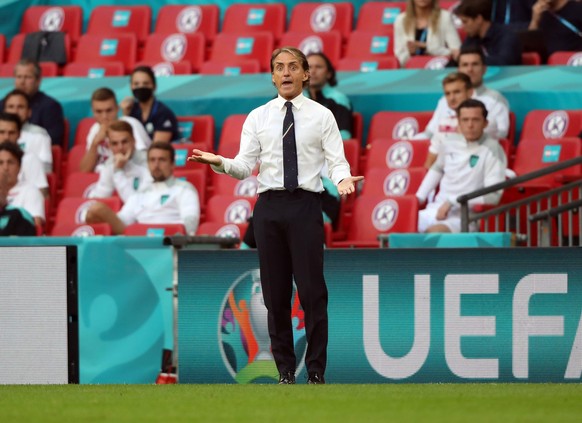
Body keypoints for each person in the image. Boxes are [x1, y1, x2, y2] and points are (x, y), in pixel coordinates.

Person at [188, 47, 363, 385]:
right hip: (268, 208)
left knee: (312, 293)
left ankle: (315, 370)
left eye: (293, 67)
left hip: (306, 206)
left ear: (306, 74)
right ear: (271, 76)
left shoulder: (322, 115)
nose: (286, 73)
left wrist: (342, 179)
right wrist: (219, 162)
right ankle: (285, 371)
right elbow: (242, 168)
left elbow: (336, 160)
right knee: (274, 295)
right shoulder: (258, 117)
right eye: (279, 68)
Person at [415, 99, 506, 233]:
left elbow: (493, 196)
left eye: (475, 120)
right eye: (465, 120)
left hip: (464, 217)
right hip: (434, 210)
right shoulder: (448, 142)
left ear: (485, 123)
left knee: (434, 234)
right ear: (458, 122)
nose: (470, 125)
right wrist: (418, 198)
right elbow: (437, 169)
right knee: (399, 227)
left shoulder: (494, 150)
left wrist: (453, 202)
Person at [86, 142, 200, 235]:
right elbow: (122, 222)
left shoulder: (185, 189)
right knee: (95, 210)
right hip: (140, 245)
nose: (156, 164)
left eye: (162, 160)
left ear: (172, 164)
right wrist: (99, 213)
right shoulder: (139, 194)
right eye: (152, 160)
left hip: (171, 244)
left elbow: (190, 224)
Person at [80, 87, 152, 173]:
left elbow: (142, 162)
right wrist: (95, 143)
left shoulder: (130, 124)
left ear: (117, 109)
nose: (104, 116)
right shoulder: (95, 129)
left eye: (109, 110)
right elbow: (84, 170)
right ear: (93, 112)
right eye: (99, 111)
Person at [416, 72, 475, 168]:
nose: (452, 98)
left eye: (457, 92)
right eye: (447, 94)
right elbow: (431, 160)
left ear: (470, 92)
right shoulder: (445, 123)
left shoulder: (483, 120)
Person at [0, 59, 65, 146]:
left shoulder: (50, 106)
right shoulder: (3, 103)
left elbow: (53, 139)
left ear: (38, 81)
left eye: (27, 77)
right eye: (19, 77)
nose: (22, 82)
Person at [88, 120, 151, 203]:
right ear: (109, 146)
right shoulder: (110, 164)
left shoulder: (149, 162)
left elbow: (136, 204)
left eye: (124, 142)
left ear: (134, 141)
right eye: (115, 143)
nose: (120, 147)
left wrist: (118, 171)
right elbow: (100, 197)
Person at [457, 46, 510, 140]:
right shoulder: (447, 100)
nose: (470, 69)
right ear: (459, 70)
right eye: (465, 65)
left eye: (475, 64)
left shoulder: (496, 98)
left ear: (484, 69)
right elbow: (430, 133)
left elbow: (502, 134)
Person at [120, 66, 179, 142]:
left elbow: (157, 149)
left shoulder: (163, 113)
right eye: (136, 84)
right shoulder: (131, 110)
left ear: (154, 86)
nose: (141, 87)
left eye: (146, 83)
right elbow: (122, 140)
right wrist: (125, 114)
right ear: (131, 87)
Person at [394, 0, 461, 67]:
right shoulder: (401, 20)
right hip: (411, 70)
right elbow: (399, 56)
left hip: (438, 68)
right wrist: (410, 54)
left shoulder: (445, 17)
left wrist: (426, 47)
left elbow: (457, 52)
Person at [454, 0, 523, 65]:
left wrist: (473, 60)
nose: (463, 27)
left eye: (465, 22)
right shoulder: (471, 38)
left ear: (479, 19)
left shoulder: (506, 36)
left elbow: (503, 62)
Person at [305, 52, 353, 140]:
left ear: (329, 74)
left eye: (318, 67)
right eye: (309, 67)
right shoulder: (293, 99)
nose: (313, 71)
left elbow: (344, 135)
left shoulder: (338, 100)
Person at [3, 89, 52, 173]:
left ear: (29, 112)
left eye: (20, 107)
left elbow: (46, 170)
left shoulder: (39, 135)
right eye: (11, 107)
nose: (15, 111)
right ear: (4, 110)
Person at [0, 112, 48, 197]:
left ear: (19, 135)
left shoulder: (30, 159)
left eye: (11, 133)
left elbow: (43, 196)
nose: (6, 137)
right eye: (2, 132)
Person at [0, 141, 45, 230]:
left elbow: (35, 226)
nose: (5, 168)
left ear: (19, 167)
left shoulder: (31, 191)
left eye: (10, 162)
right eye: (0, 163)